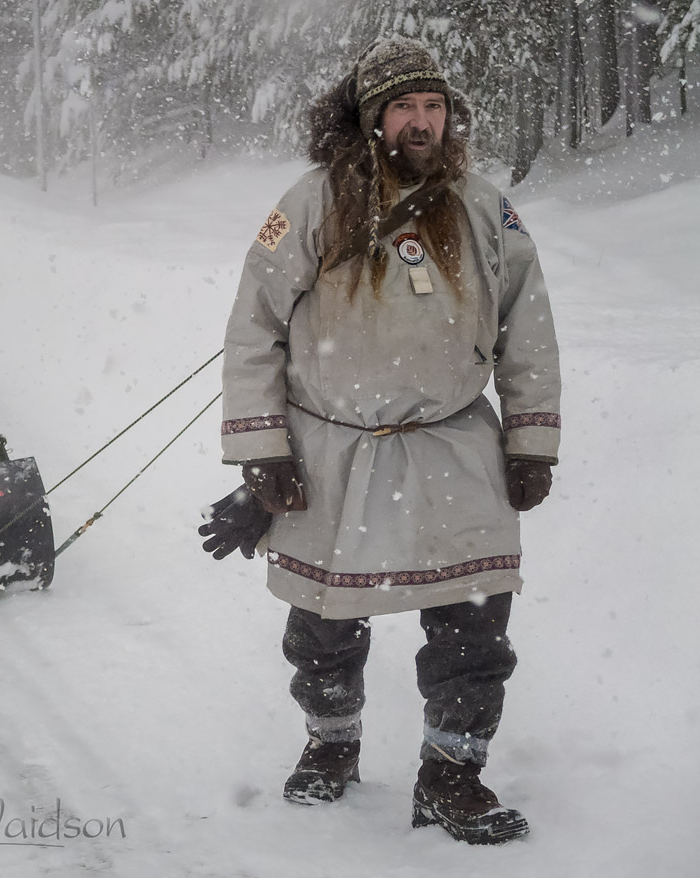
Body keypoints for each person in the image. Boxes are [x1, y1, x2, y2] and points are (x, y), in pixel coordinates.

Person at [200, 37, 561, 846]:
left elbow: (527, 329)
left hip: (453, 444)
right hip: (337, 446)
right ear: (371, 118)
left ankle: (451, 772)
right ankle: (330, 742)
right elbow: (253, 330)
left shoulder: (482, 206)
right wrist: (263, 450)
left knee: (475, 621)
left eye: (433, 107)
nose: (422, 122)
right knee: (323, 624)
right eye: (405, 107)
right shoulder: (308, 204)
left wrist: (532, 437)